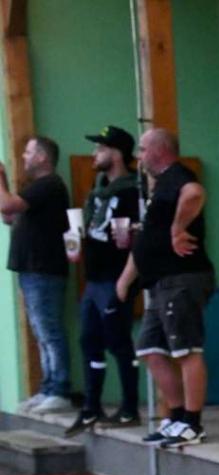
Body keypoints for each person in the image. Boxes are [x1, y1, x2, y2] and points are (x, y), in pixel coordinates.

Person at [115, 128, 215, 448]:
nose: (139, 156)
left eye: (143, 150)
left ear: (159, 150)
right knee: (150, 348)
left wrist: (177, 228)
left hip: (182, 277)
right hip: (159, 282)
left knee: (186, 349)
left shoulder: (178, 176)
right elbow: (146, 240)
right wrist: (125, 279)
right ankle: (176, 415)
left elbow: (195, 193)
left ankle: (193, 423)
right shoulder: (158, 187)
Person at [65, 126, 142, 436]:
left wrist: (130, 236)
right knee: (89, 340)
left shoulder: (133, 190)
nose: (94, 154)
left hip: (117, 276)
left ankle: (129, 408)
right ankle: (91, 407)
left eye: (100, 148)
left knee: (118, 341)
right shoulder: (98, 189)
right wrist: (75, 241)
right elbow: (88, 229)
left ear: (117, 153)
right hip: (94, 278)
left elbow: (141, 232)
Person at [0, 135, 73, 414]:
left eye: (29, 152)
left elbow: (7, 206)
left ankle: (60, 390)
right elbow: (9, 215)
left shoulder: (49, 185)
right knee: (41, 331)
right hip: (32, 270)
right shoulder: (37, 189)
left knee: (49, 330)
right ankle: (47, 388)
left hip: (44, 270)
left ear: (43, 157)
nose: (24, 157)